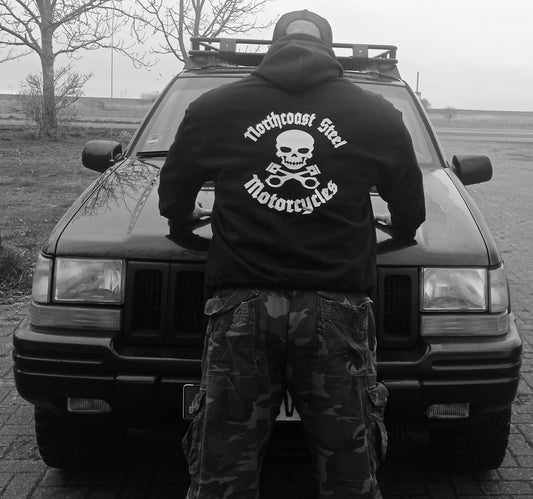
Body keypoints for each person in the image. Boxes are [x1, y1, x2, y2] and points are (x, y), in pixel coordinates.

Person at [158, 9, 425, 499]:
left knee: (223, 470)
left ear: (272, 45)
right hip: (338, 307)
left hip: (240, 306)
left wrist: (183, 220)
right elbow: (410, 205)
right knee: (349, 470)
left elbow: (173, 193)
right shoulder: (377, 113)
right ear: (328, 46)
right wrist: (400, 228)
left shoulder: (213, 107)